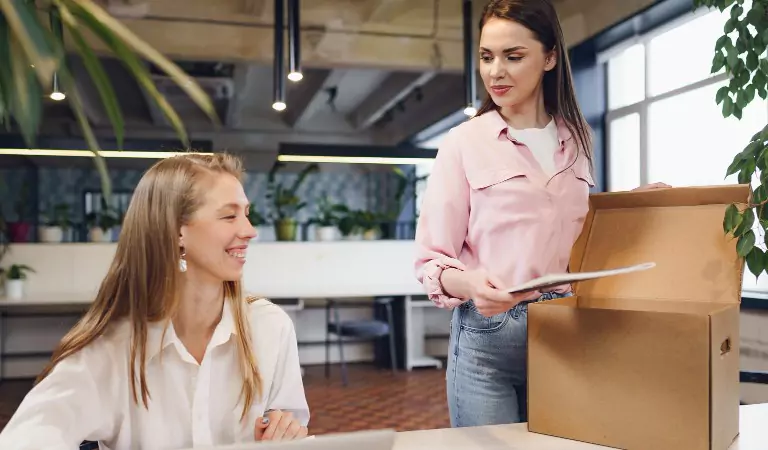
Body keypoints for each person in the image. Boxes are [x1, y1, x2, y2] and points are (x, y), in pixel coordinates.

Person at [414, 0, 668, 429]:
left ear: (550, 57)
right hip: (485, 342)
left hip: (564, 331)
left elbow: (573, 228)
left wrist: (629, 205)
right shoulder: (463, 143)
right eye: (486, 57)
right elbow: (430, 261)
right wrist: (471, 283)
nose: (496, 72)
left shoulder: (578, 137)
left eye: (513, 57)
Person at [0, 154, 309, 449]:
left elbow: (293, 425)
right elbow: (27, 437)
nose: (250, 230)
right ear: (176, 231)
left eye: (246, 213)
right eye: (229, 215)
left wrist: (287, 431)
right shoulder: (111, 348)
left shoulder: (270, 328)